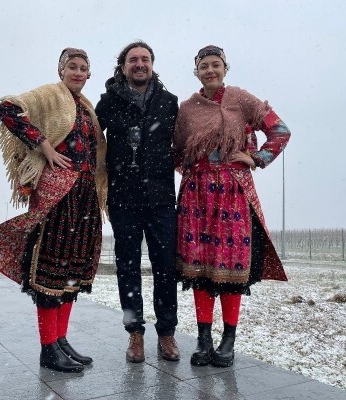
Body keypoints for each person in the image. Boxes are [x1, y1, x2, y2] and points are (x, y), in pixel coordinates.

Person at [0, 48, 107, 373]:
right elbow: (7, 108)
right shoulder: (50, 94)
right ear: (61, 70)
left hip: (85, 194)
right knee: (52, 266)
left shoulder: (86, 107)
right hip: (57, 193)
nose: (78, 73)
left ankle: (61, 340)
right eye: (72, 67)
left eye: (83, 68)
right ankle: (48, 348)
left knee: (73, 268)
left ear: (89, 74)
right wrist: (44, 144)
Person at [173, 45, 291, 368]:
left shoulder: (241, 100)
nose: (210, 71)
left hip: (232, 194)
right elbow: (176, 152)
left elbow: (280, 131)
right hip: (196, 196)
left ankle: (228, 340)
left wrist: (256, 158)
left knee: (230, 268)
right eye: (204, 66)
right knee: (199, 269)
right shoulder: (187, 110)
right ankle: (203, 340)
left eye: (216, 65)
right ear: (196, 72)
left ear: (225, 68)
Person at [95, 41, 180, 363]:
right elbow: (88, 136)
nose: (140, 64)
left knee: (165, 269)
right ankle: (135, 334)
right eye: (133, 59)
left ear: (152, 64)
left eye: (145, 59)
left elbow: (186, 142)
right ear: (123, 65)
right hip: (124, 200)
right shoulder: (108, 102)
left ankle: (167, 333)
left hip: (161, 199)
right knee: (128, 268)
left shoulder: (169, 102)